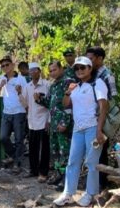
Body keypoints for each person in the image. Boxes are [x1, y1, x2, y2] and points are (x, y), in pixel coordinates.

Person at [54, 56, 108, 207]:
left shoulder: (97, 83)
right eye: (76, 68)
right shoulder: (76, 86)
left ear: (90, 68)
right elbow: (66, 105)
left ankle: (90, 194)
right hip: (78, 129)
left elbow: (104, 107)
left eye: (82, 67)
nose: (79, 70)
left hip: (92, 127)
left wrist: (99, 130)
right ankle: (68, 194)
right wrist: (68, 92)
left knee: (91, 162)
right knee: (73, 162)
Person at [36, 61, 74, 190]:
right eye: (50, 71)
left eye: (54, 70)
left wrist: (64, 122)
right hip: (54, 125)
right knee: (56, 152)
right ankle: (58, 175)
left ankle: (66, 180)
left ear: (61, 68)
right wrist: (39, 99)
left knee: (65, 152)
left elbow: (70, 104)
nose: (52, 73)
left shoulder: (69, 82)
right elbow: (50, 104)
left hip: (64, 125)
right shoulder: (53, 86)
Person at [86, 46, 118, 189]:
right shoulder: (90, 74)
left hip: (102, 118)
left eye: (91, 58)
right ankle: (97, 181)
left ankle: (103, 183)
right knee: (95, 150)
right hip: (91, 117)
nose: (89, 61)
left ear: (99, 58)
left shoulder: (107, 74)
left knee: (102, 149)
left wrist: (102, 114)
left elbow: (112, 98)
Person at [0, 56, 28, 172]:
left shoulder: (21, 79)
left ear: (12, 65)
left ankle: (17, 164)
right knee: (3, 137)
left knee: (19, 139)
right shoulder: (1, 78)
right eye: (2, 66)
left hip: (19, 112)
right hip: (6, 112)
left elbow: (26, 96)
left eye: (7, 65)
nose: (5, 67)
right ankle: (15, 156)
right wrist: (0, 86)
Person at [19, 63, 50, 182]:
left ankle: (43, 172)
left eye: (35, 70)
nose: (32, 73)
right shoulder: (27, 86)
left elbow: (50, 104)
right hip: (32, 121)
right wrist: (19, 93)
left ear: (39, 71)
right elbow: (25, 104)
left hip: (44, 121)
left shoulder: (47, 85)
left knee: (45, 149)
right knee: (33, 148)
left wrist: (49, 120)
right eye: (30, 71)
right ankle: (33, 170)